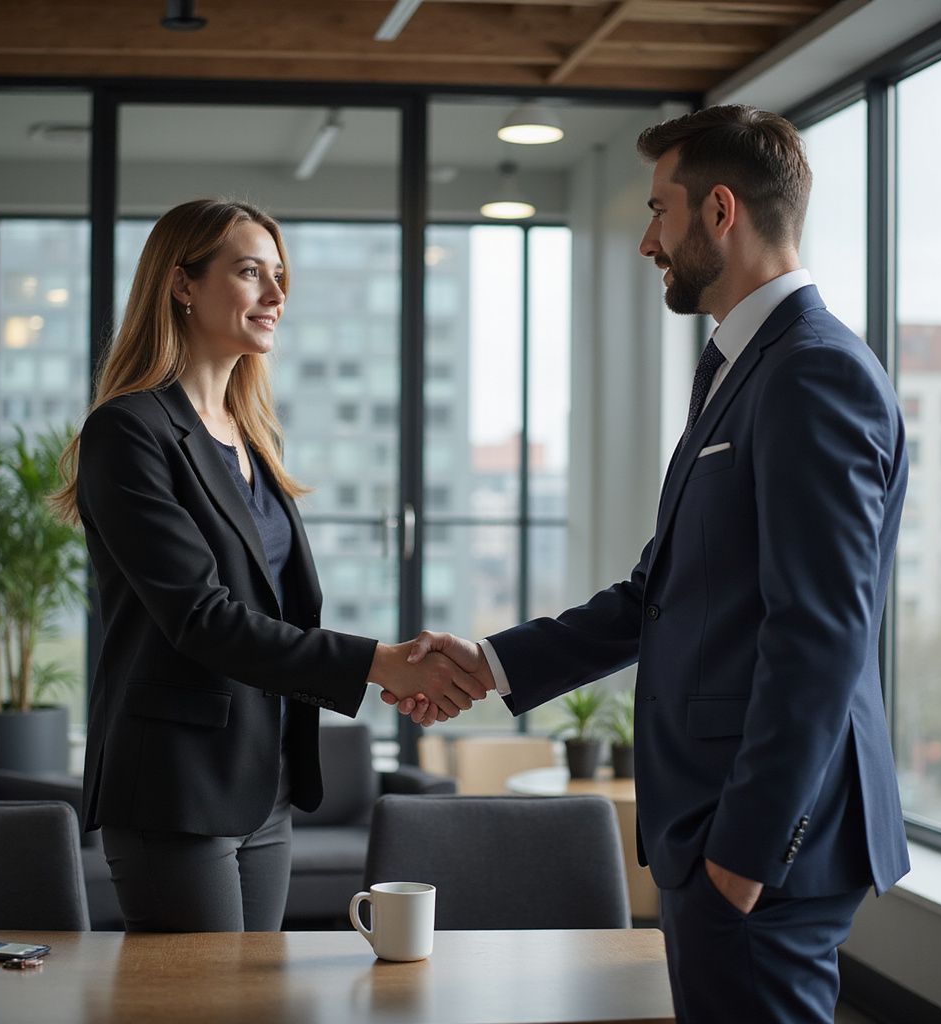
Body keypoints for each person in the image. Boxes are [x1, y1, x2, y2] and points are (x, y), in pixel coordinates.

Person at [389, 106, 909, 1024]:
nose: (645, 242)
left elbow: (822, 635)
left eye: (658, 212)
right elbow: (657, 596)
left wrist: (743, 859)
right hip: (717, 831)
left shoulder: (812, 372)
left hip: (756, 841)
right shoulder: (742, 369)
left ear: (719, 211)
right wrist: (492, 664)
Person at [51, 198, 486, 932]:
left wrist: (386, 667)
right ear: (182, 285)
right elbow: (204, 620)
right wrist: (381, 663)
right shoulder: (128, 432)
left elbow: (275, 610)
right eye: (250, 273)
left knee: (259, 1003)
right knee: (202, 1009)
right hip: (177, 789)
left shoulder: (250, 441)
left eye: (279, 276)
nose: (276, 297)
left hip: (267, 784)